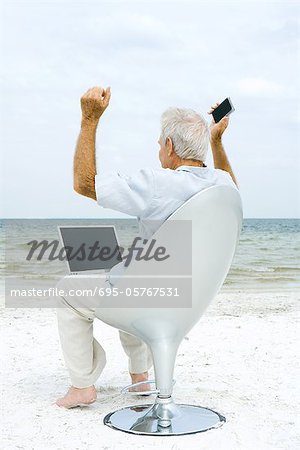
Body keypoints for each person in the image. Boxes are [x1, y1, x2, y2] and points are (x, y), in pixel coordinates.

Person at [56, 86, 239, 408]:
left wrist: (89, 120)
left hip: (149, 300)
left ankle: (82, 386)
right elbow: (231, 185)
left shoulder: (158, 183)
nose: (159, 150)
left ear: (169, 145)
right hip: (186, 300)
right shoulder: (222, 186)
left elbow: (84, 184)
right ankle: (140, 377)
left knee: (68, 290)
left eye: (159, 144)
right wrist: (217, 142)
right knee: (134, 273)